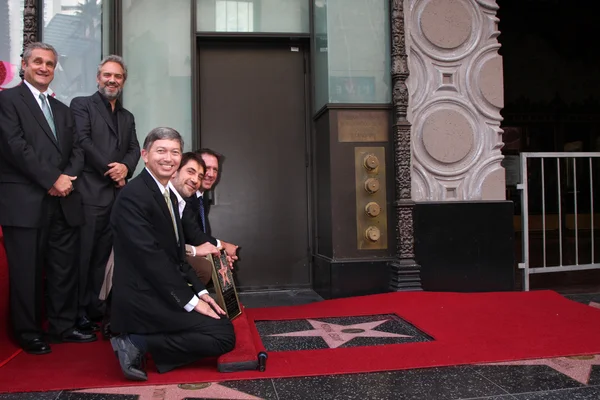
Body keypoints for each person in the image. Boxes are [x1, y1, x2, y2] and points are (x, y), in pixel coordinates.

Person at [110, 127, 235, 381]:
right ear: (145, 155)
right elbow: (152, 260)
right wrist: (191, 302)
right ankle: (136, 341)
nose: (169, 158)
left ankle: (143, 342)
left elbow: (177, 256)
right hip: (143, 300)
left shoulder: (166, 194)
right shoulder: (133, 196)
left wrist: (201, 293)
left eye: (175, 152)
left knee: (222, 323)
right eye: (161, 151)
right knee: (223, 336)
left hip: (159, 291)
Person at [0, 42, 97, 355]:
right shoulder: (7, 101)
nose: (44, 68)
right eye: (38, 62)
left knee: (63, 268)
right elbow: (15, 148)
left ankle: (62, 326)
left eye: (50, 64)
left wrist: (65, 179)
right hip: (25, 202)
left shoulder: (62, 109)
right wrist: (51, 179)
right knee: (26, 272)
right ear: (24, 65)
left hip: (63, 201)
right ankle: (28, 333)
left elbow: (78, 150)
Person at [70, 55, 140, 333]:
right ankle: (76, 314)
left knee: (104, 258)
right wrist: (112, 170)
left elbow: (134, 149)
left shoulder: (127, 117)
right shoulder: (81, 105)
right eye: (107, 75)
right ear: (98, 77)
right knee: (83, 256)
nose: (112, 80)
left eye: (118, 76)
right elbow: (82, 141)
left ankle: (95, 310)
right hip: (88, 194)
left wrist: (126, 167)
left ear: (123, 81)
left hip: (115, 199)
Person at [169, 152, 222, 284]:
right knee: (204, 267)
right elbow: (192, 236)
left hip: (176, 253)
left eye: (199, 175)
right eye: (191, 171)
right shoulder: (166, 197)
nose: (195, 180)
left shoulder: (194, 199)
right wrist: (196, 251)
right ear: (175, 171)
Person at [191, 148, 239, 261]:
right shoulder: (185, 196)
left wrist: (220, 256)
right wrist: (224, 246)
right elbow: (193, 235)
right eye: (207, 168)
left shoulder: (202, 199)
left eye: (215, 170)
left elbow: (203, 238)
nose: (211, 174)